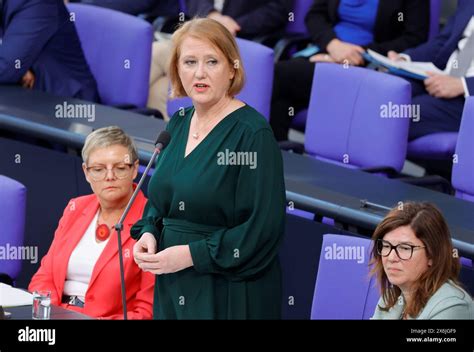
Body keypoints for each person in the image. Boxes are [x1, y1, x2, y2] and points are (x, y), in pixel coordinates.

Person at [132, 18, 286, 319]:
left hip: (228, 290)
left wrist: (191, 254)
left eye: (211, 62)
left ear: (232, 69)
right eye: (189, 62)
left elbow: (263, 230)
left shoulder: (252, 135)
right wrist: (149, 233)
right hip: (174, 282)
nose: (199, 73)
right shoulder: (177, 123)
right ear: (177, 68)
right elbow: (159, 203)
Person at [29, 126, 154, 319]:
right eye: (98, 169)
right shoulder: (75, 208)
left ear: (135, 169)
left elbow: (147, 310)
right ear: (86, 172)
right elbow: (44, 277)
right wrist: (54, 314)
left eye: (120, 168)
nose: (109, 176)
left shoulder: (151, 219)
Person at [270, 0, 430, 141]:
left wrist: (357, 54)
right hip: (325, 52)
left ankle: (273, 161)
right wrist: (333, 46)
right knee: (282, 96)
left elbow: (414, 38)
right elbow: (314, 15)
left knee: (278, 76)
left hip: (366, 65)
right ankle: (279, 155)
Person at [148, 0, 291, 120]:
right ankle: (177, 143)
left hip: (240, 39)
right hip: (199, 32)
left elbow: (279, 8)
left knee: (155, 56)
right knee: (158, 89)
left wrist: (226, 26)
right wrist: (210, 15)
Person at [388, 0, 474, 141]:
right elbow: (443, 42)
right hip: (442, 78)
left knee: (397, 114)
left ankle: (362, 158)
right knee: (384, 93)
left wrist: (463, 85)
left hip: (468, 98)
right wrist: (405, 59)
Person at [370, 202, 473, 319]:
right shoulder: (391, 296)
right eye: (387, 246)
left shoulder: (453, 307)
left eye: (405, 248)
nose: (391, 258)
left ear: (433, 256)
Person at [0, 0, 99, 101]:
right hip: (24, 93)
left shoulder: (39, 3)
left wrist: (13, 68)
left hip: (66, 103)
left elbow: (6, 67)